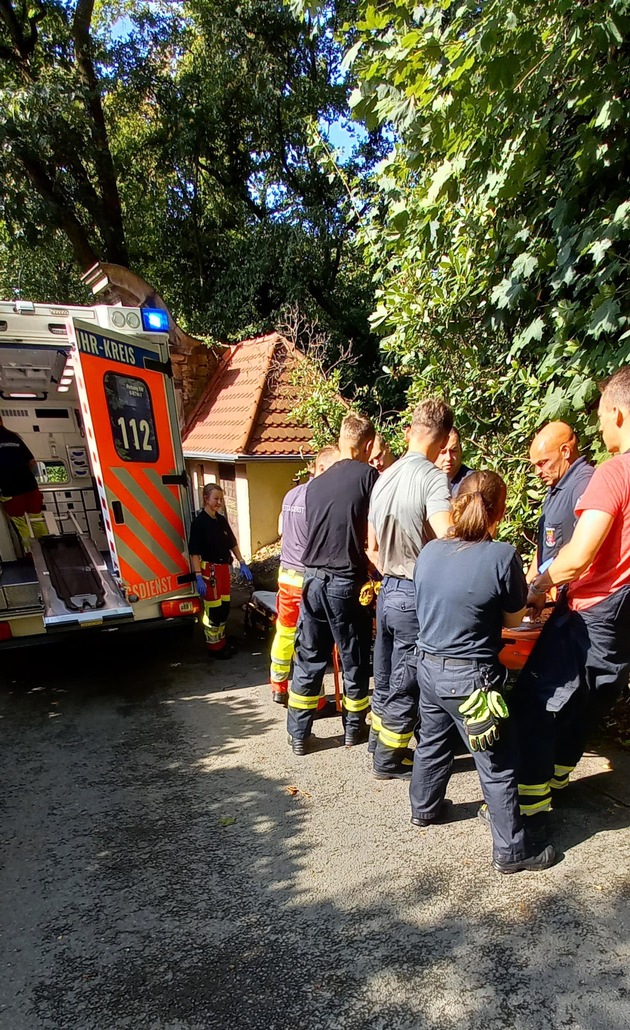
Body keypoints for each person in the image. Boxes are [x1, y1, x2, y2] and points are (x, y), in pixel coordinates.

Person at [409, 471, 556, 873]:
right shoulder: (501, 555)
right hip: (472, 679)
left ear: (456, 503)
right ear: (501, 510)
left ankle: (424, 808)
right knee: (497, 760)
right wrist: (529, 597)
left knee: (433, 741)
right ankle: (512, 852)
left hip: (428, 667)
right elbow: (513, 617)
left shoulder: (430, 551)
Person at [515, 367, 630, 828]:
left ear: (618, 413)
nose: (600, 428)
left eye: (602, 416)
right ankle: (557, 781)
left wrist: (536, 588)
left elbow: (577, 557)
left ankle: (526, 809)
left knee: (538, 700)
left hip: (590, 612)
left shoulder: (611, 474)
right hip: (622, 616)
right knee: (586, 704)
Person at [366, 398, 453, 779]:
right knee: (407, 679)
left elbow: (370, 543)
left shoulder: (385, 476)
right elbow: (448, 535)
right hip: (416, 593)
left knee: (384, 674)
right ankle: (388, 760)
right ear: (445, 437)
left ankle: (376, 742)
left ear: (411, 430)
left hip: (387, 589)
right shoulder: (432, 478)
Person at [287, 414, 377, 754]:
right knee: (353, 657)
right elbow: (373, 531)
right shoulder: (369, 476)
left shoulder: (316, 483)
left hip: (312, 580)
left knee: (309, 656)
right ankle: (354, 729)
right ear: (367, 445)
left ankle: (298, 734)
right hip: (344, 581)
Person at [269, 445, 339, 704]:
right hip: (307, 579)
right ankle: (315, 697)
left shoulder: (291, 495)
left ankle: (278, 683)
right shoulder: (319, 499)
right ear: (322, 469)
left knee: (285, 632)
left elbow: (280, 529)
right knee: (311, 641)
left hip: (286, 574)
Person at [188, 482, 253, 658]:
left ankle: (221, 642)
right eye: (216, 499)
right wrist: (198, 577)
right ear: (206, 499)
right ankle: (214, 648)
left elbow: (232, 542)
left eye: (221, 499)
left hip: (224, 570)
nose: (219, 502)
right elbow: (194, 553)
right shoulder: (199, 523)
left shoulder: (221, 520)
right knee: (213, 611)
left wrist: (242, 562)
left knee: (224, 608)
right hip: (209, 572)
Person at [526, 421, 594, 582]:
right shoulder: (557, 485)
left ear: (565, 451)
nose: (537, 472)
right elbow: (547, 544)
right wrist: (529, 582)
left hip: (574, 590)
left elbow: (587, 549)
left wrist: (541, 587)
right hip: (548, 586)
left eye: (543, 463)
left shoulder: (584, 484)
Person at [0, 416, 45, 553]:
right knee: (36, 519)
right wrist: (35, 481)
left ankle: (30, 553)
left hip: (10, 490)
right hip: (30, 487)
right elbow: (32, 462)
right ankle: (45, 549)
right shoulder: (14, 437)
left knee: (20, 523)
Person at [435, 428, 474, 497]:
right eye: (442, 452)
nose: (448, 458)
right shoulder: (424, 483)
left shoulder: (473, 484)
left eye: (453, 451)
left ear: (461, 451)